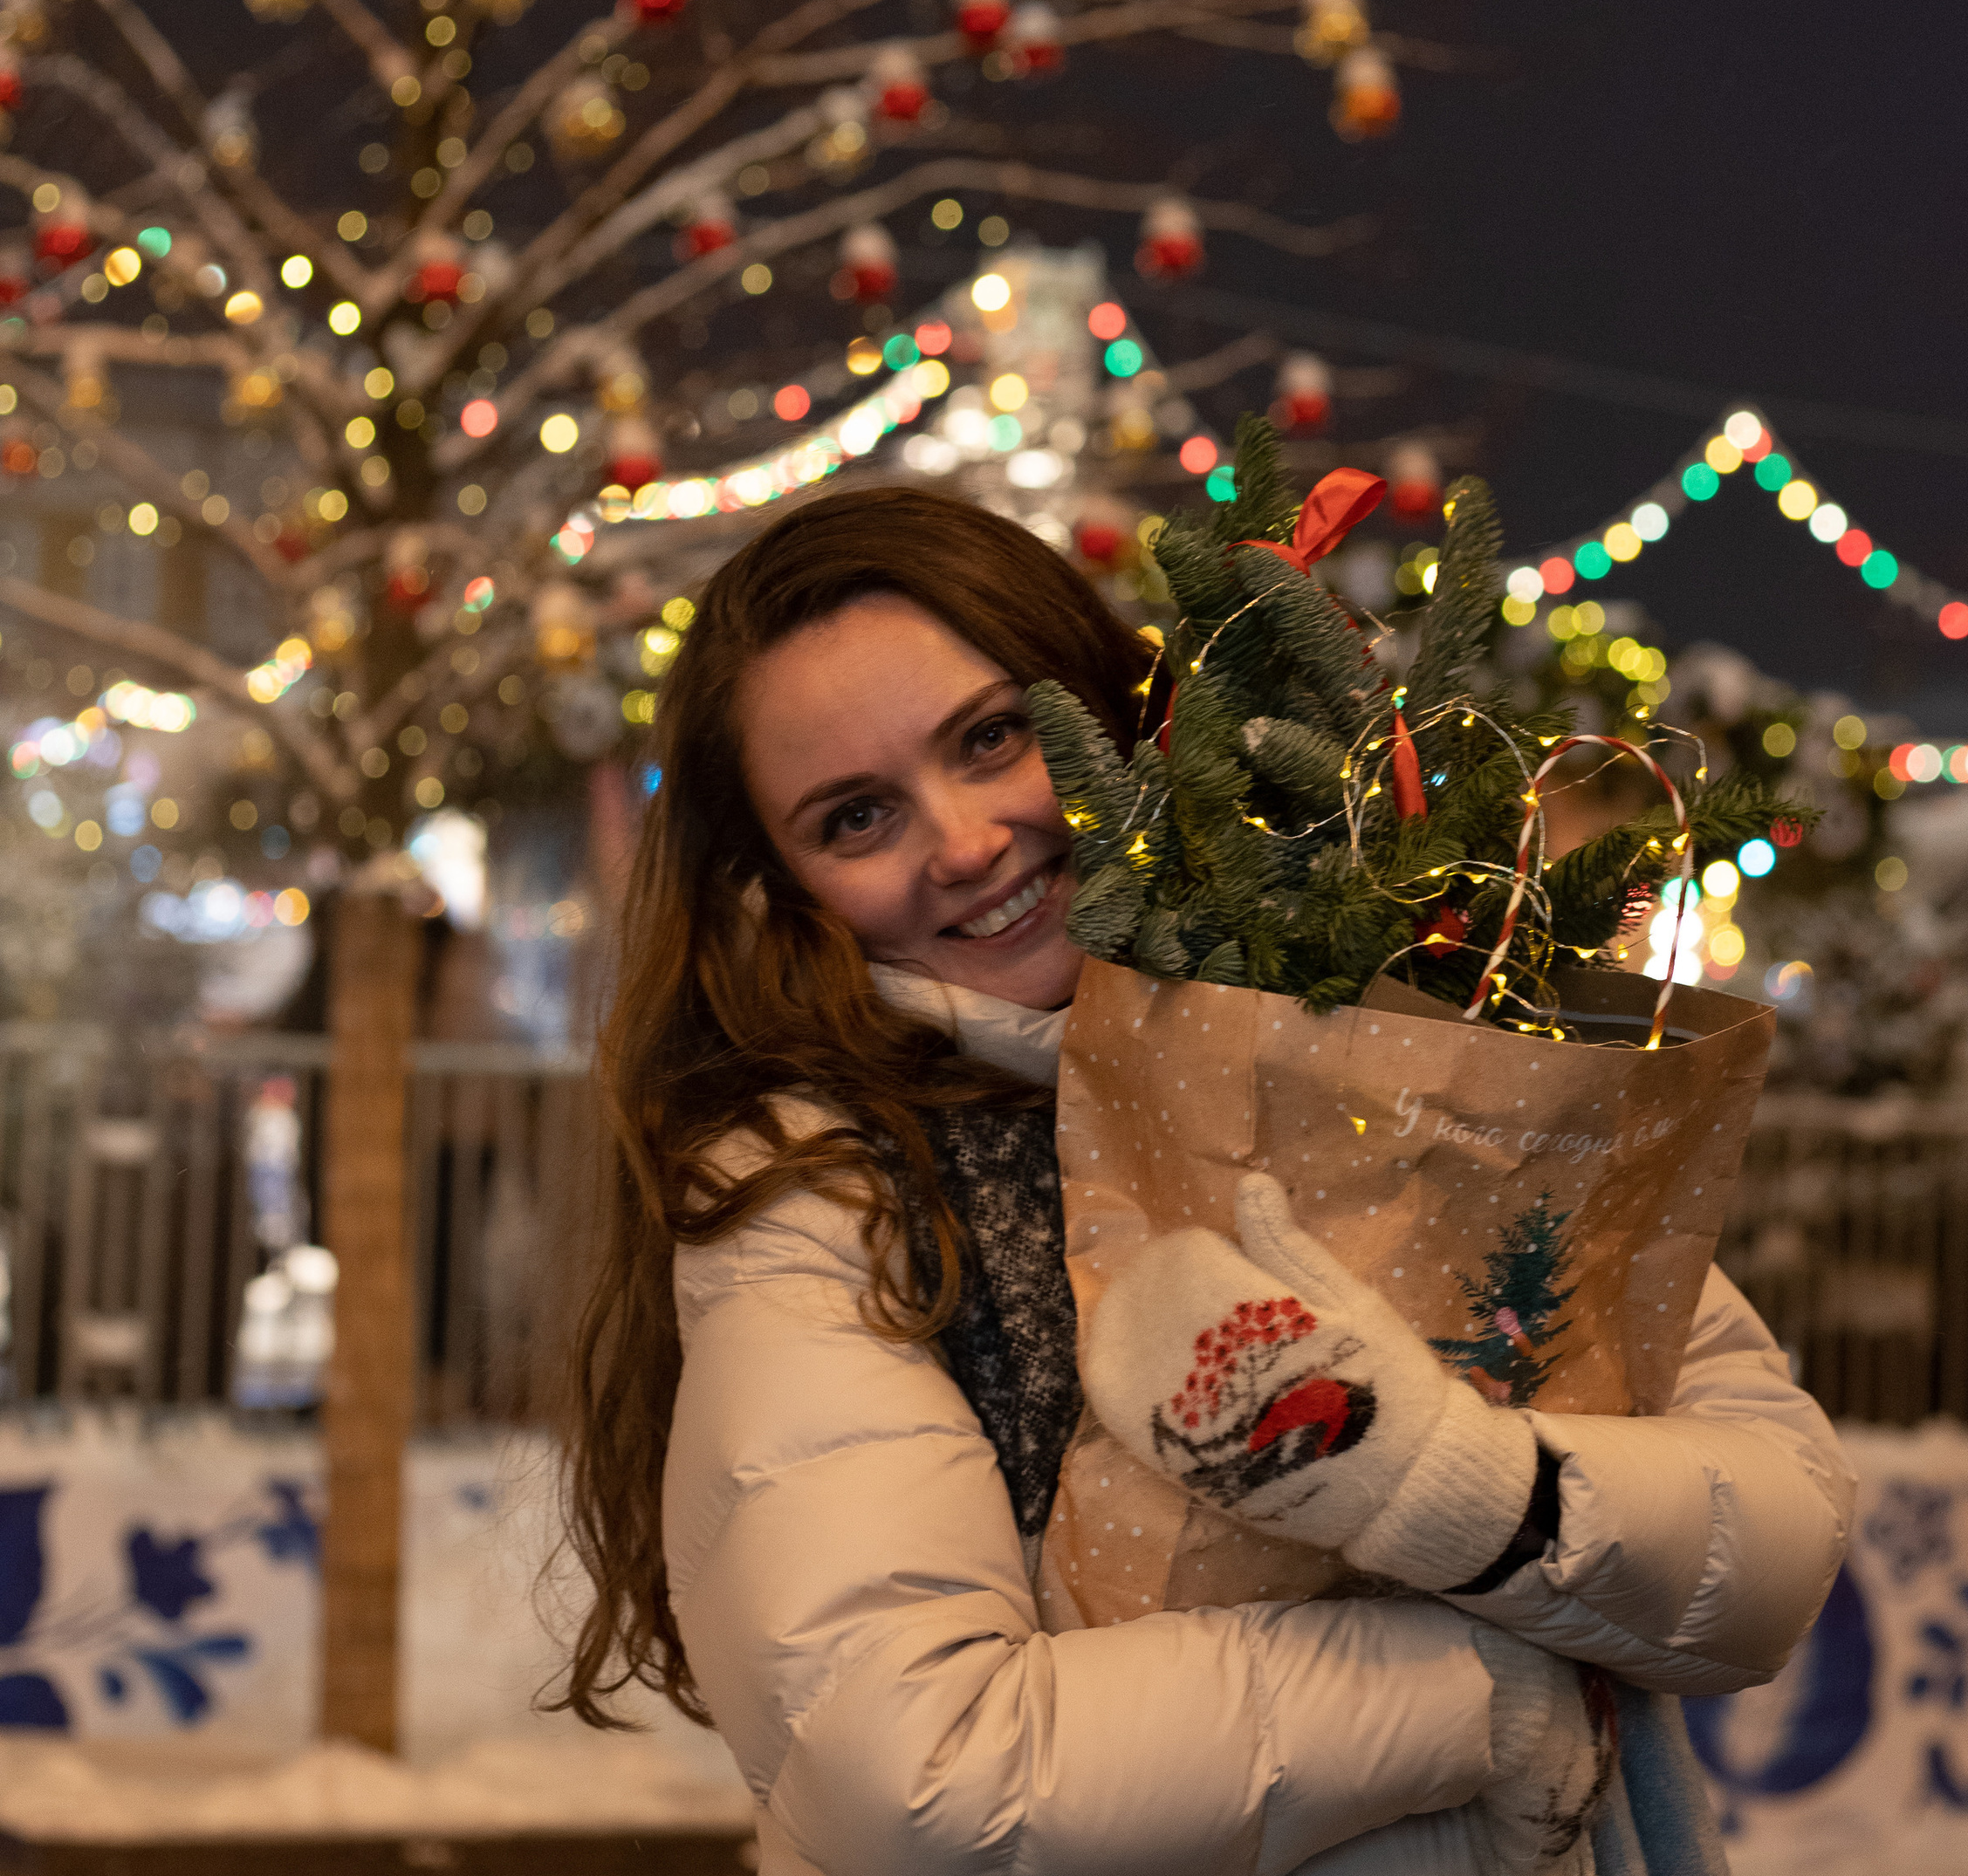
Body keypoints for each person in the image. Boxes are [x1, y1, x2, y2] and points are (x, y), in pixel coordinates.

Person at [557, 485, 1855, 1875]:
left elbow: (1767, 1555)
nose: (969, 841)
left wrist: (1454, 1486)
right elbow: (916, 1775)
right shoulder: (817, 1191)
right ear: (784, 887)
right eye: (859, 817)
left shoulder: (1412, 1032)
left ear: (1117, 710)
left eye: (995, 738)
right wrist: (1477, 1695)